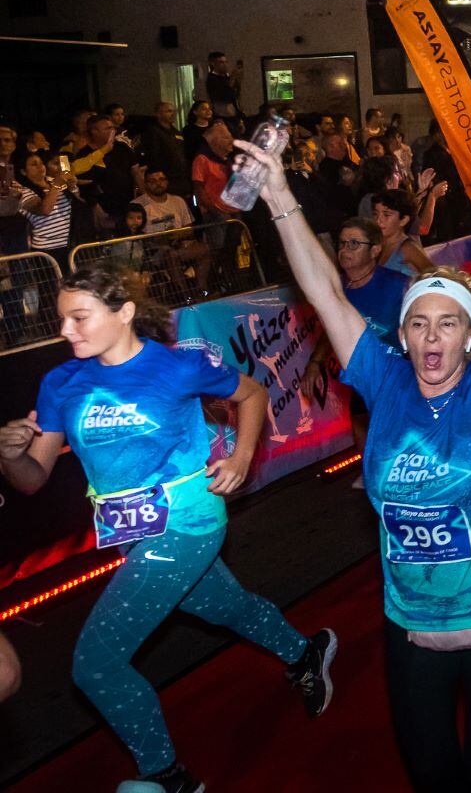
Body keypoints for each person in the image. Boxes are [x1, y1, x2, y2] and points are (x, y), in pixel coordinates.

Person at [230, 129, 471, 790]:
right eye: (418, 322)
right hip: (413, 617)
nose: (431, 335)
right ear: (403, 333)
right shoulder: (384, 381)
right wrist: (277, 194)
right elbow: (325, 295)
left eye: (448, 323)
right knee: (434, 777)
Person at [0, 263, 336, 793]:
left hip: (190, 521)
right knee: (223, 606)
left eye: (79, 317)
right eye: (62, 319)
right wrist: (10, 455)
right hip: (134, 531)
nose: (66, 331)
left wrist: (243, 456)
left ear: (124, 313)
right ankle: (305, 652)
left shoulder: (176, 368)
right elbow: (31, 479)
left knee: (96, 665)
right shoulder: (61, 382)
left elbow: (251, 395)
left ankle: (168, 777)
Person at [371, 189, 435, 277]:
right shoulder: (376, 246)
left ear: (403, 220)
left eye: (386, 215)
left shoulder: (408, 248)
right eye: (375, 214)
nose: (378, 220)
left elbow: (436, 277)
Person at [138, 103, 192, 199]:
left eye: (174, 111)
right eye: (169, 111)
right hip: (167, 178)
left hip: (181, 178)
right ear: (158, 114)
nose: (173, 114)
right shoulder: (153, 132)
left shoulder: (176, 132)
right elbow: (153, 156)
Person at [190, 121, 239, 221]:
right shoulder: (202, 159)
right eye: (226, 138)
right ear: (215, 141)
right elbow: (199, 189)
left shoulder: (227, 161)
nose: (231, 141)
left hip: (235, 211)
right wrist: (214, 211)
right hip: (216, 214)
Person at [137, 168, 194, 234]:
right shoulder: (138, 205)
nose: (158, 183)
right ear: (146, 184)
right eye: (153, 181)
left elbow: (189, 228)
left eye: (161, 179)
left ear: (167, 182)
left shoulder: (179, 201)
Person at [203, 52, 242, 125]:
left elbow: (236, 96)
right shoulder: (212, 79)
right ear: (213, 64)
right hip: (222, 118)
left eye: (226, 62)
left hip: (234, 117)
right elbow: (224, 97)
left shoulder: (226, 77)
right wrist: (232, 78)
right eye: (221, 62)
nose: (225, 65)